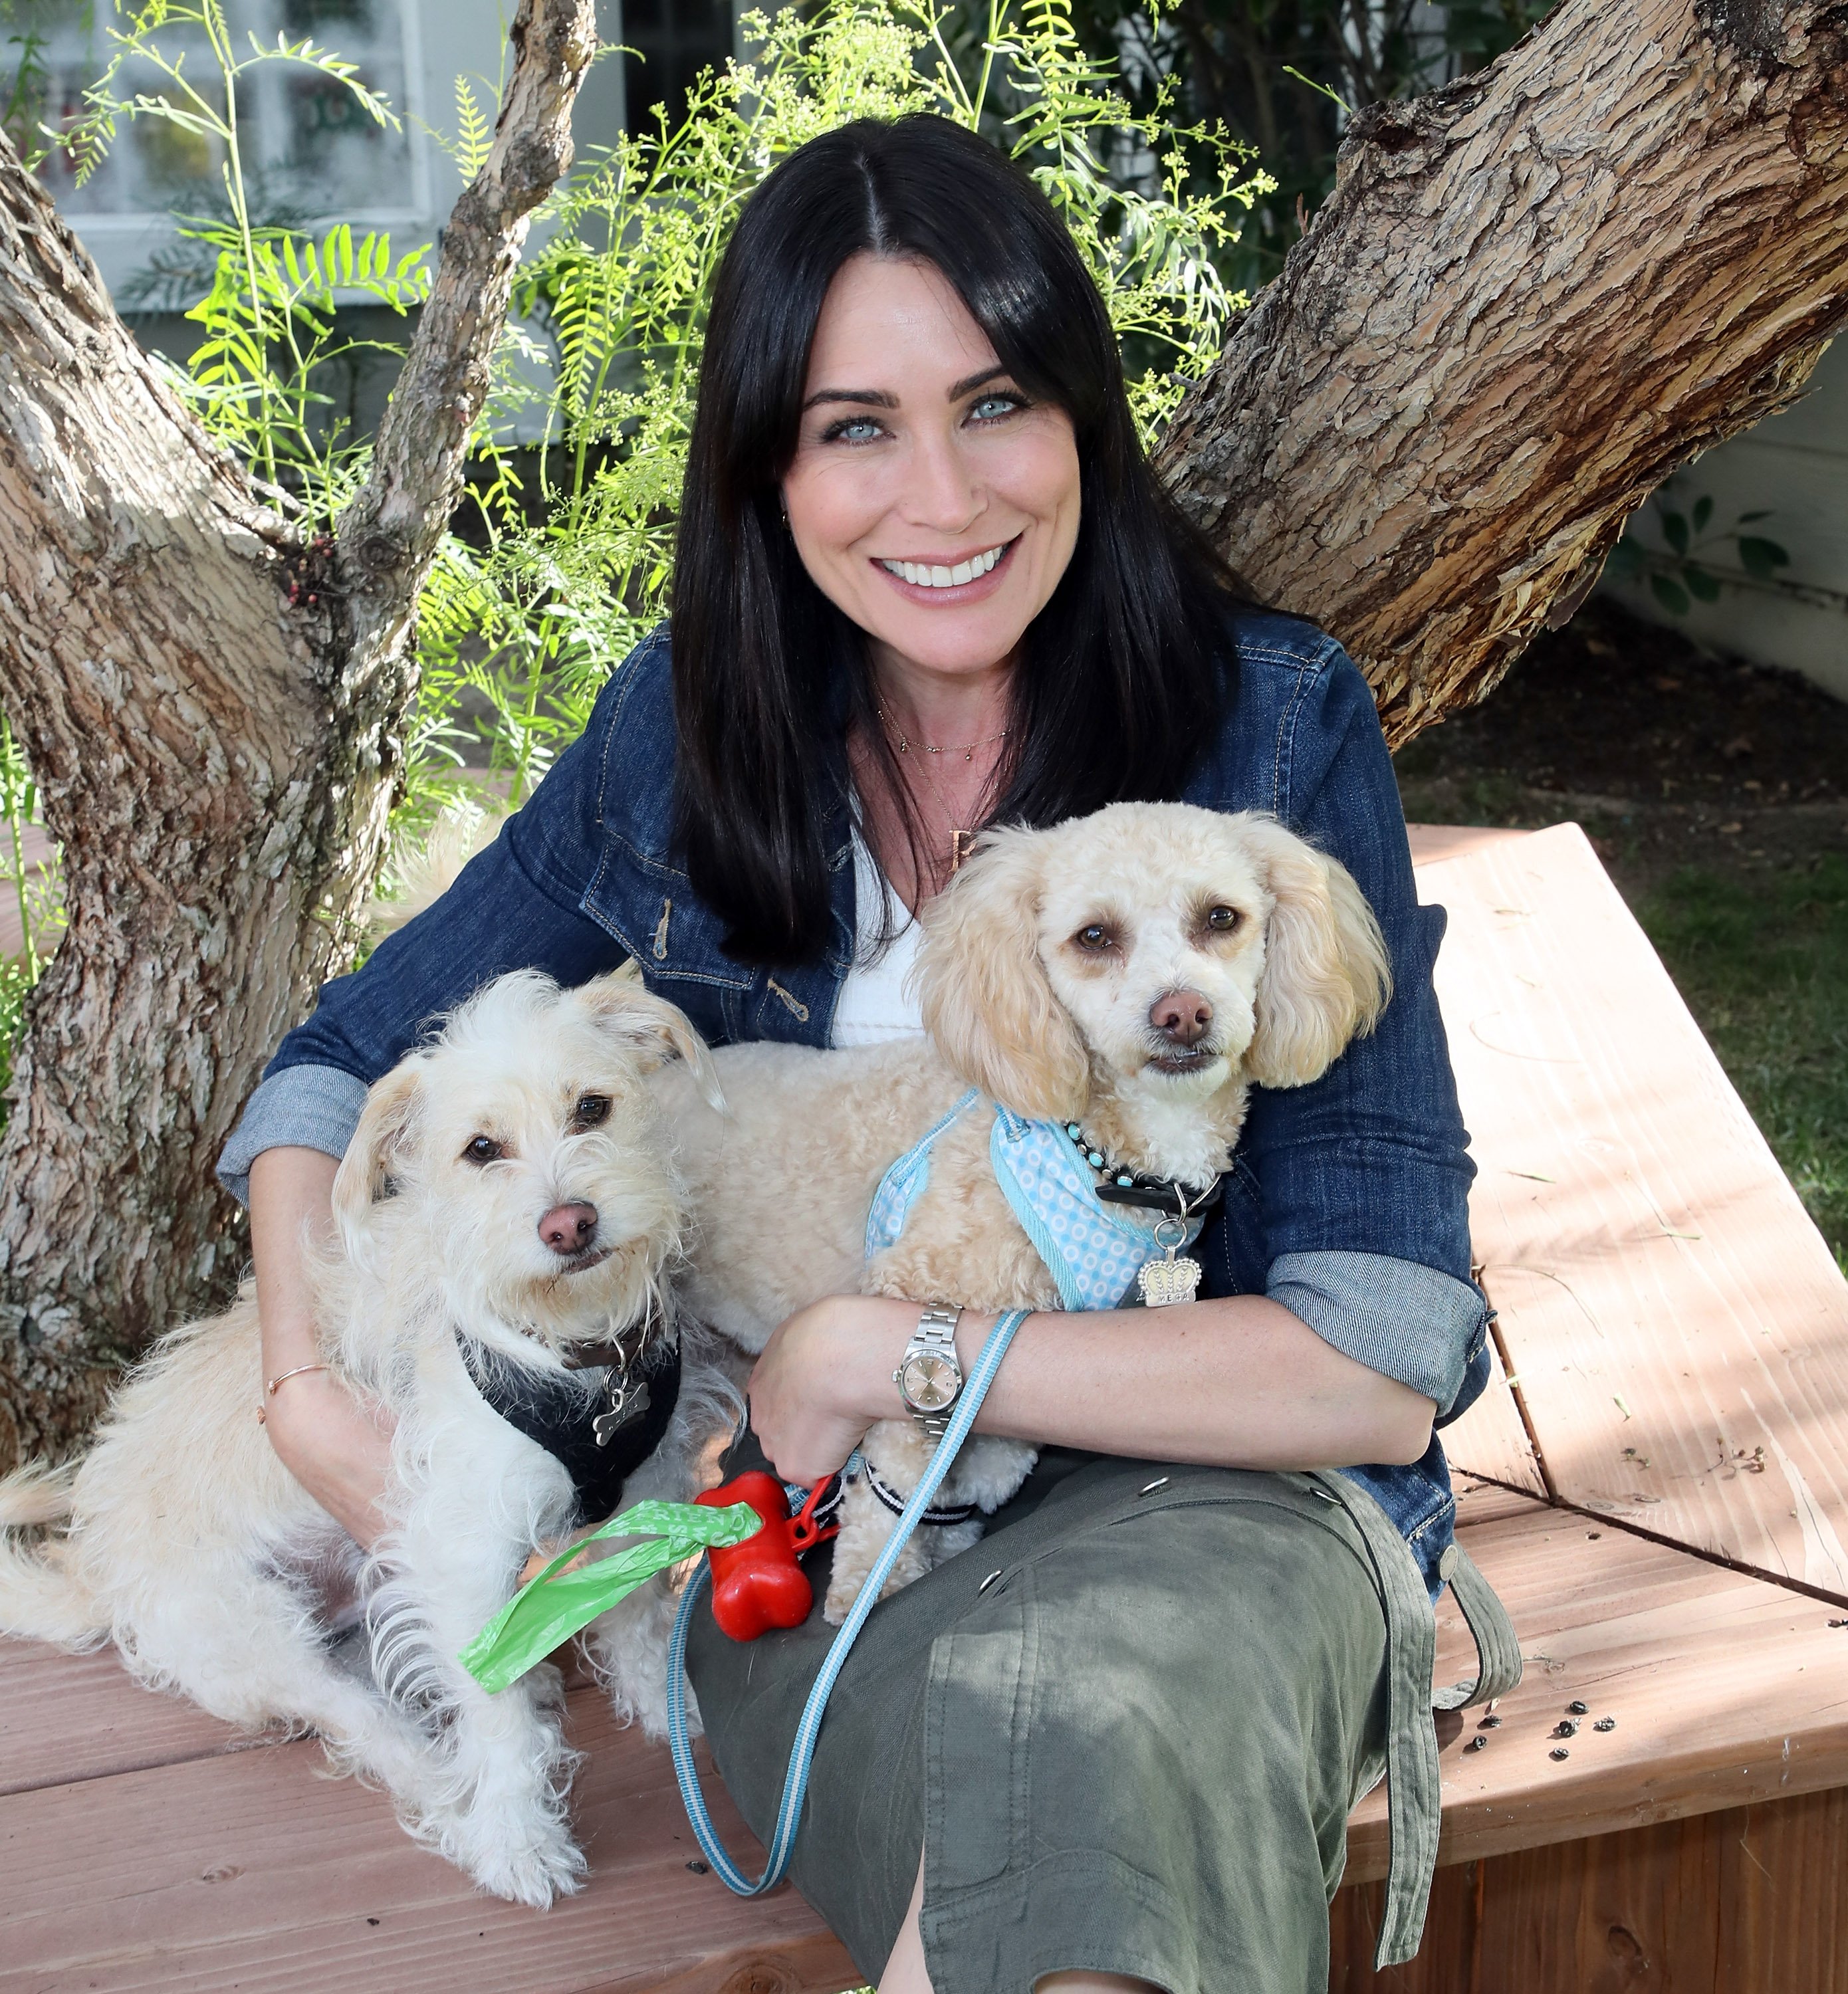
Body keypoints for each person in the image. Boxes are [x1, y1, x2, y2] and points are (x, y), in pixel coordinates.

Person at [220, 114, 1504, 1993]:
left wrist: (874, 1347)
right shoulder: (690, 733)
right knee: (999, 1846)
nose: (939, 496)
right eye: (852, 428)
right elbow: (335, 1060)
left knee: (1088, 1777)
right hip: (799, 1520)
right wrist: (297, 1388)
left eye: (993, 405)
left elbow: (1377, 1364)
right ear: (765, 470)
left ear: (1079, 418)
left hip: (1198, 1504)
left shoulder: (1269, 731)